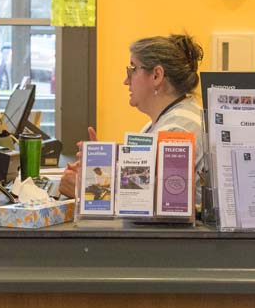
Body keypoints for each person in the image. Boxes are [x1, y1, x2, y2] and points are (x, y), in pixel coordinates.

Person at [58, 33, 206, 200]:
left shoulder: (178, 130)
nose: (126, 81)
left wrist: (85, 190)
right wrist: (100, 164)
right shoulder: (163, 122)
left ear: (156, 75)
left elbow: (141, 202)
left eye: (132, 70)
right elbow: (139, 186)